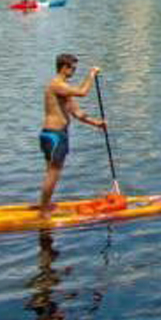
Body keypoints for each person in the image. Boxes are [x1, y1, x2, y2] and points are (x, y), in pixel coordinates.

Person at [38, 54, 105, 214]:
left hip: (56, 135)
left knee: (52, 173)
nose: (74, 72)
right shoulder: (56, 85)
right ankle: (43, 211)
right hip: (54, 135)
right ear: (63, 67)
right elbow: (82, 92)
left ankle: (45, 205)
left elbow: (76, 112)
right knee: (53, 173)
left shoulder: (64, 90)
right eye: (72, 68)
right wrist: (91, 75)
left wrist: (96, 123)